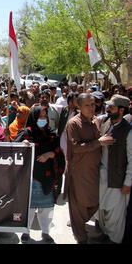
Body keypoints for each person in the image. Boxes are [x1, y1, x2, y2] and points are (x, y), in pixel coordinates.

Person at [66, 93, 115, 244]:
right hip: (79, 173)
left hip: (94, 172)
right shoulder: (74, 123)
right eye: (87, 105)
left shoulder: (96, 121)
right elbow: (75, 148)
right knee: (78, 209)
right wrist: (98, 143)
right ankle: (81, 238)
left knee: (95, 202)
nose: (91, 107)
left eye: (93, 104)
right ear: (78, 106)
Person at [15, 106, 65, 243]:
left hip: (47, 177)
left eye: (45, 117)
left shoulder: (52, 134)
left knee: (46, 208)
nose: (43, 119)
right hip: (30, 177)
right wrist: (22, 145)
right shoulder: (26, 133)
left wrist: (51, 154)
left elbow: (59, 154)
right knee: (29, 208)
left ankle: (45, 232)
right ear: (33, 117)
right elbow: (13, 151)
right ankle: (26, 232)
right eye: (40, 117)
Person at [97, 95, 132, 244]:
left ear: (121, 110)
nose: (108, 109)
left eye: (112, 107)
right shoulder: (106, 123)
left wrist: (128, 182)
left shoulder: (128, 131)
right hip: (102, 177)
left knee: (115, 215)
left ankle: (114, 240)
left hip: (118, 180)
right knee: (103, 211)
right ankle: (106, 235)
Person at [57, 92, 79, 159]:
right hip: (63, 135)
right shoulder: (65, 109)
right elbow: (60, 123)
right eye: (74, 100)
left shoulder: (79, 112)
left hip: (72, 137)